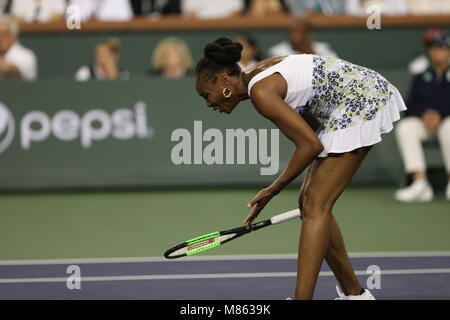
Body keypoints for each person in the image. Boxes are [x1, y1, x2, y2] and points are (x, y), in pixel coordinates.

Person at [194, 37, 406, 300]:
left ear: (224, 82)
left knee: (316, 204)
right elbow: (313, 132)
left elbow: (309, 145)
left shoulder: (261, 92)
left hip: (361, 99)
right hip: (356, 98)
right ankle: (356, 295)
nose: (208, 103)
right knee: (310, 203)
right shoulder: (259, 79)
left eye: (206, 95)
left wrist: (272, 189)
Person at [395, 32, 450, 202]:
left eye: (440, 48)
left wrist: (440, 114)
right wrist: (424, 114)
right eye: (432, 49)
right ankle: (420, 183)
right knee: (405, 128)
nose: (435, 53)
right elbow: (409, 104)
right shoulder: (422, 74)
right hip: (426, 123)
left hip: (446, 121)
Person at [267, 18, 338, 58]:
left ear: (308, 34)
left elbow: (335, 67)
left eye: (299, 32)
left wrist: (309, 51)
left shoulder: (323, 48)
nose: (294, 36)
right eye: (291, 32)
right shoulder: (277, 51)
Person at [0, 14, 37, 81]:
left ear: (14, 35)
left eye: (4, 34)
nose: (1, 38)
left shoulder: (26, 55)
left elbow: (14, 71)